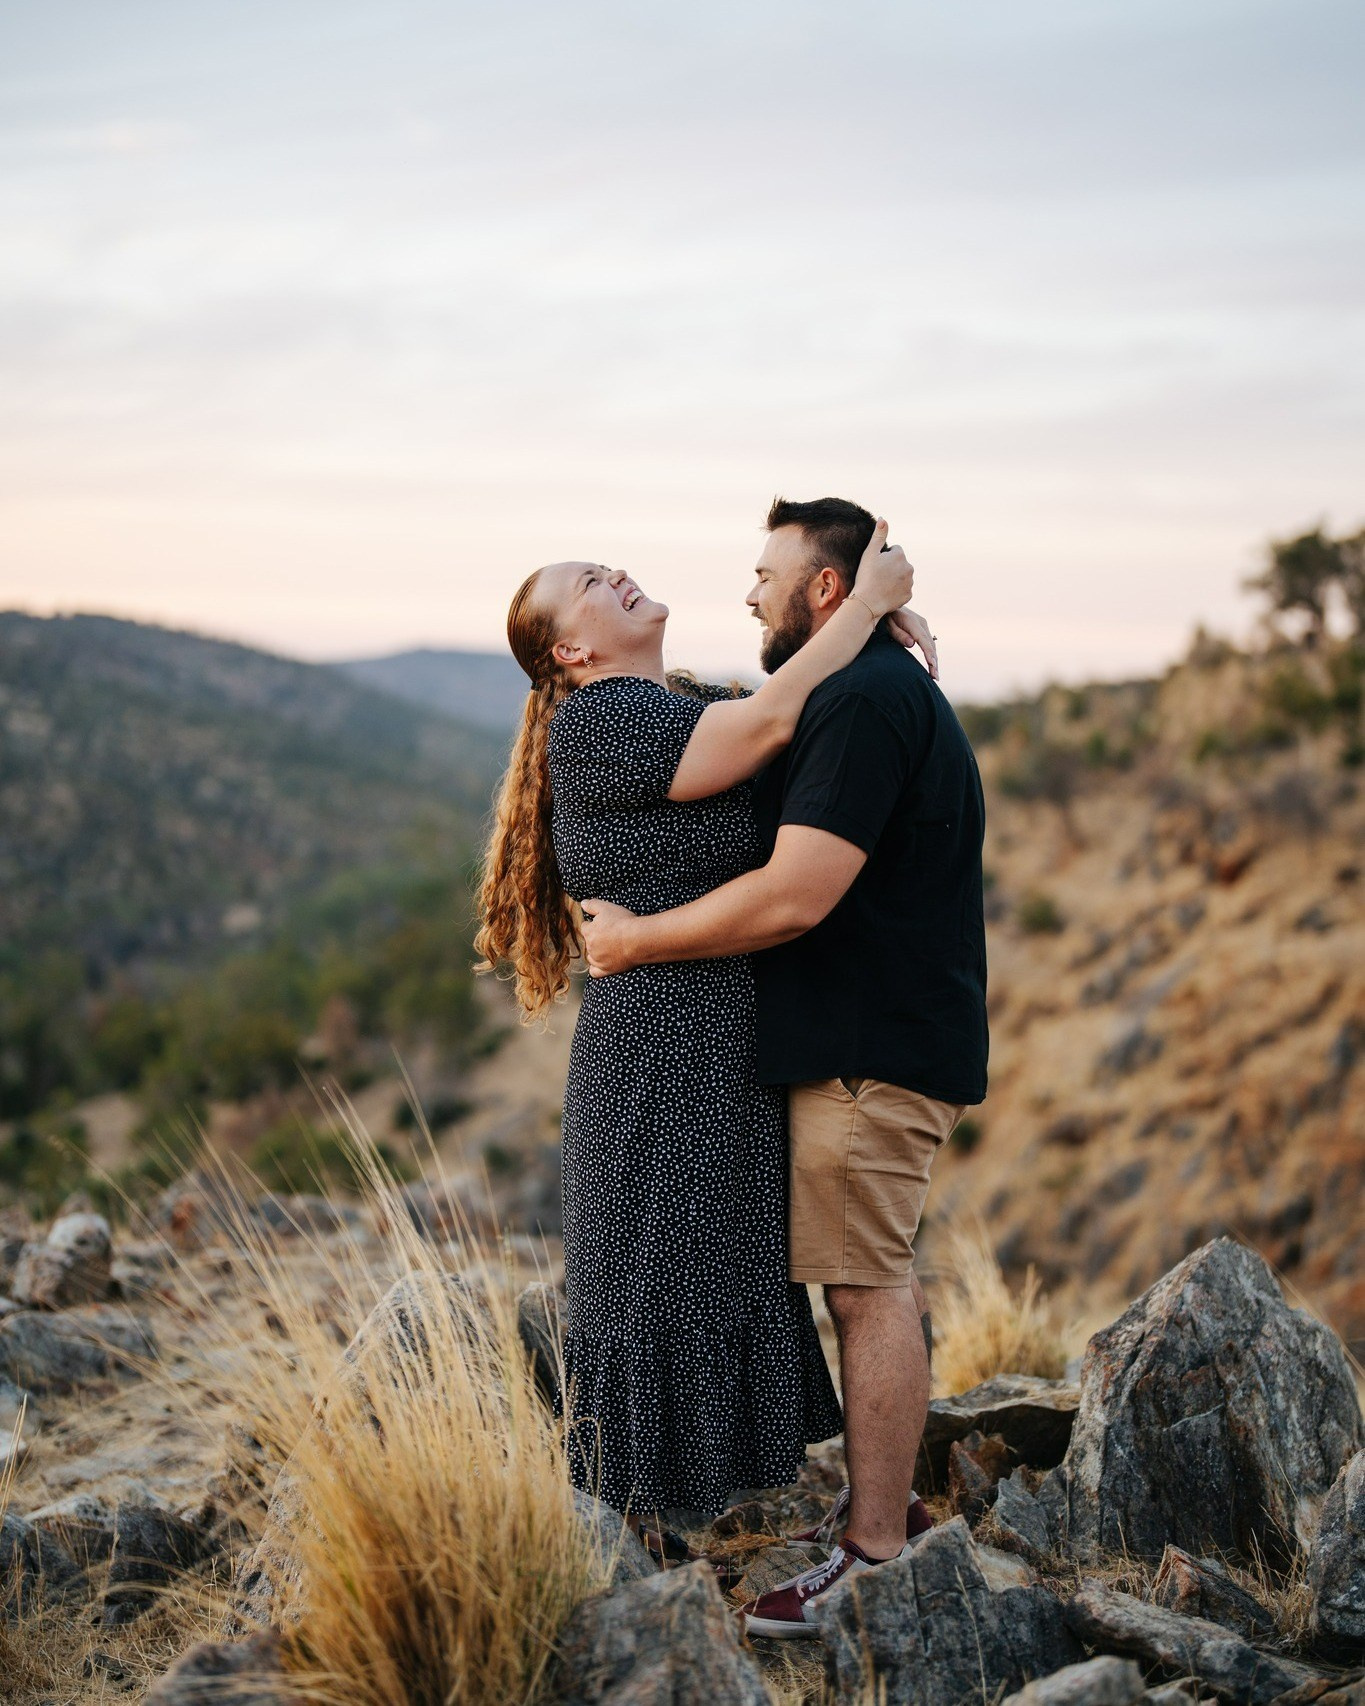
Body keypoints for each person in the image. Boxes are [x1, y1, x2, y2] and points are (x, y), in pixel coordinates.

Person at [474, 523, 939, 1559]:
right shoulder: (602, 719)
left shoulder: (676, 702)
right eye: (588, 583)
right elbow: (774, 719)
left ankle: (672, 1520)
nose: (615, 573)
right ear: (570, 651)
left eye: (606, 563)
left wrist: (862, 634)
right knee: (655, 1267)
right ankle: (627, 1533)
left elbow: (792, 707)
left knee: (707, 1261)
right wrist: (867, 603)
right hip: (660, 1041)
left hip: (718, 1033)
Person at [581, 495, 989, 1633]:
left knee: (865, 1285)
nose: (750, 595)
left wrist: (635, 940)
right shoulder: (857, 684)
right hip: (876, 1036)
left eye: (767, 576)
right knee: (869, 1275)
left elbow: (796, 894)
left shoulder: (859, 699)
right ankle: (887, 1507)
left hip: (871, 1044)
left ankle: (874, 1552)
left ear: (823, 588)